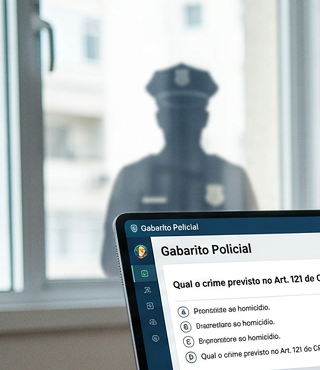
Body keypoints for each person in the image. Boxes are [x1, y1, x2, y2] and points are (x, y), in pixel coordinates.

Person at [101, 64, 257, 277]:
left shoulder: (232, 179)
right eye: (173, 113)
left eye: (189, 113)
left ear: (204, 118)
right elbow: (111, 261)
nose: (181, 122)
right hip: (153, 300)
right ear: (160, 119)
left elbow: (256, 253)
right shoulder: (133, 178)